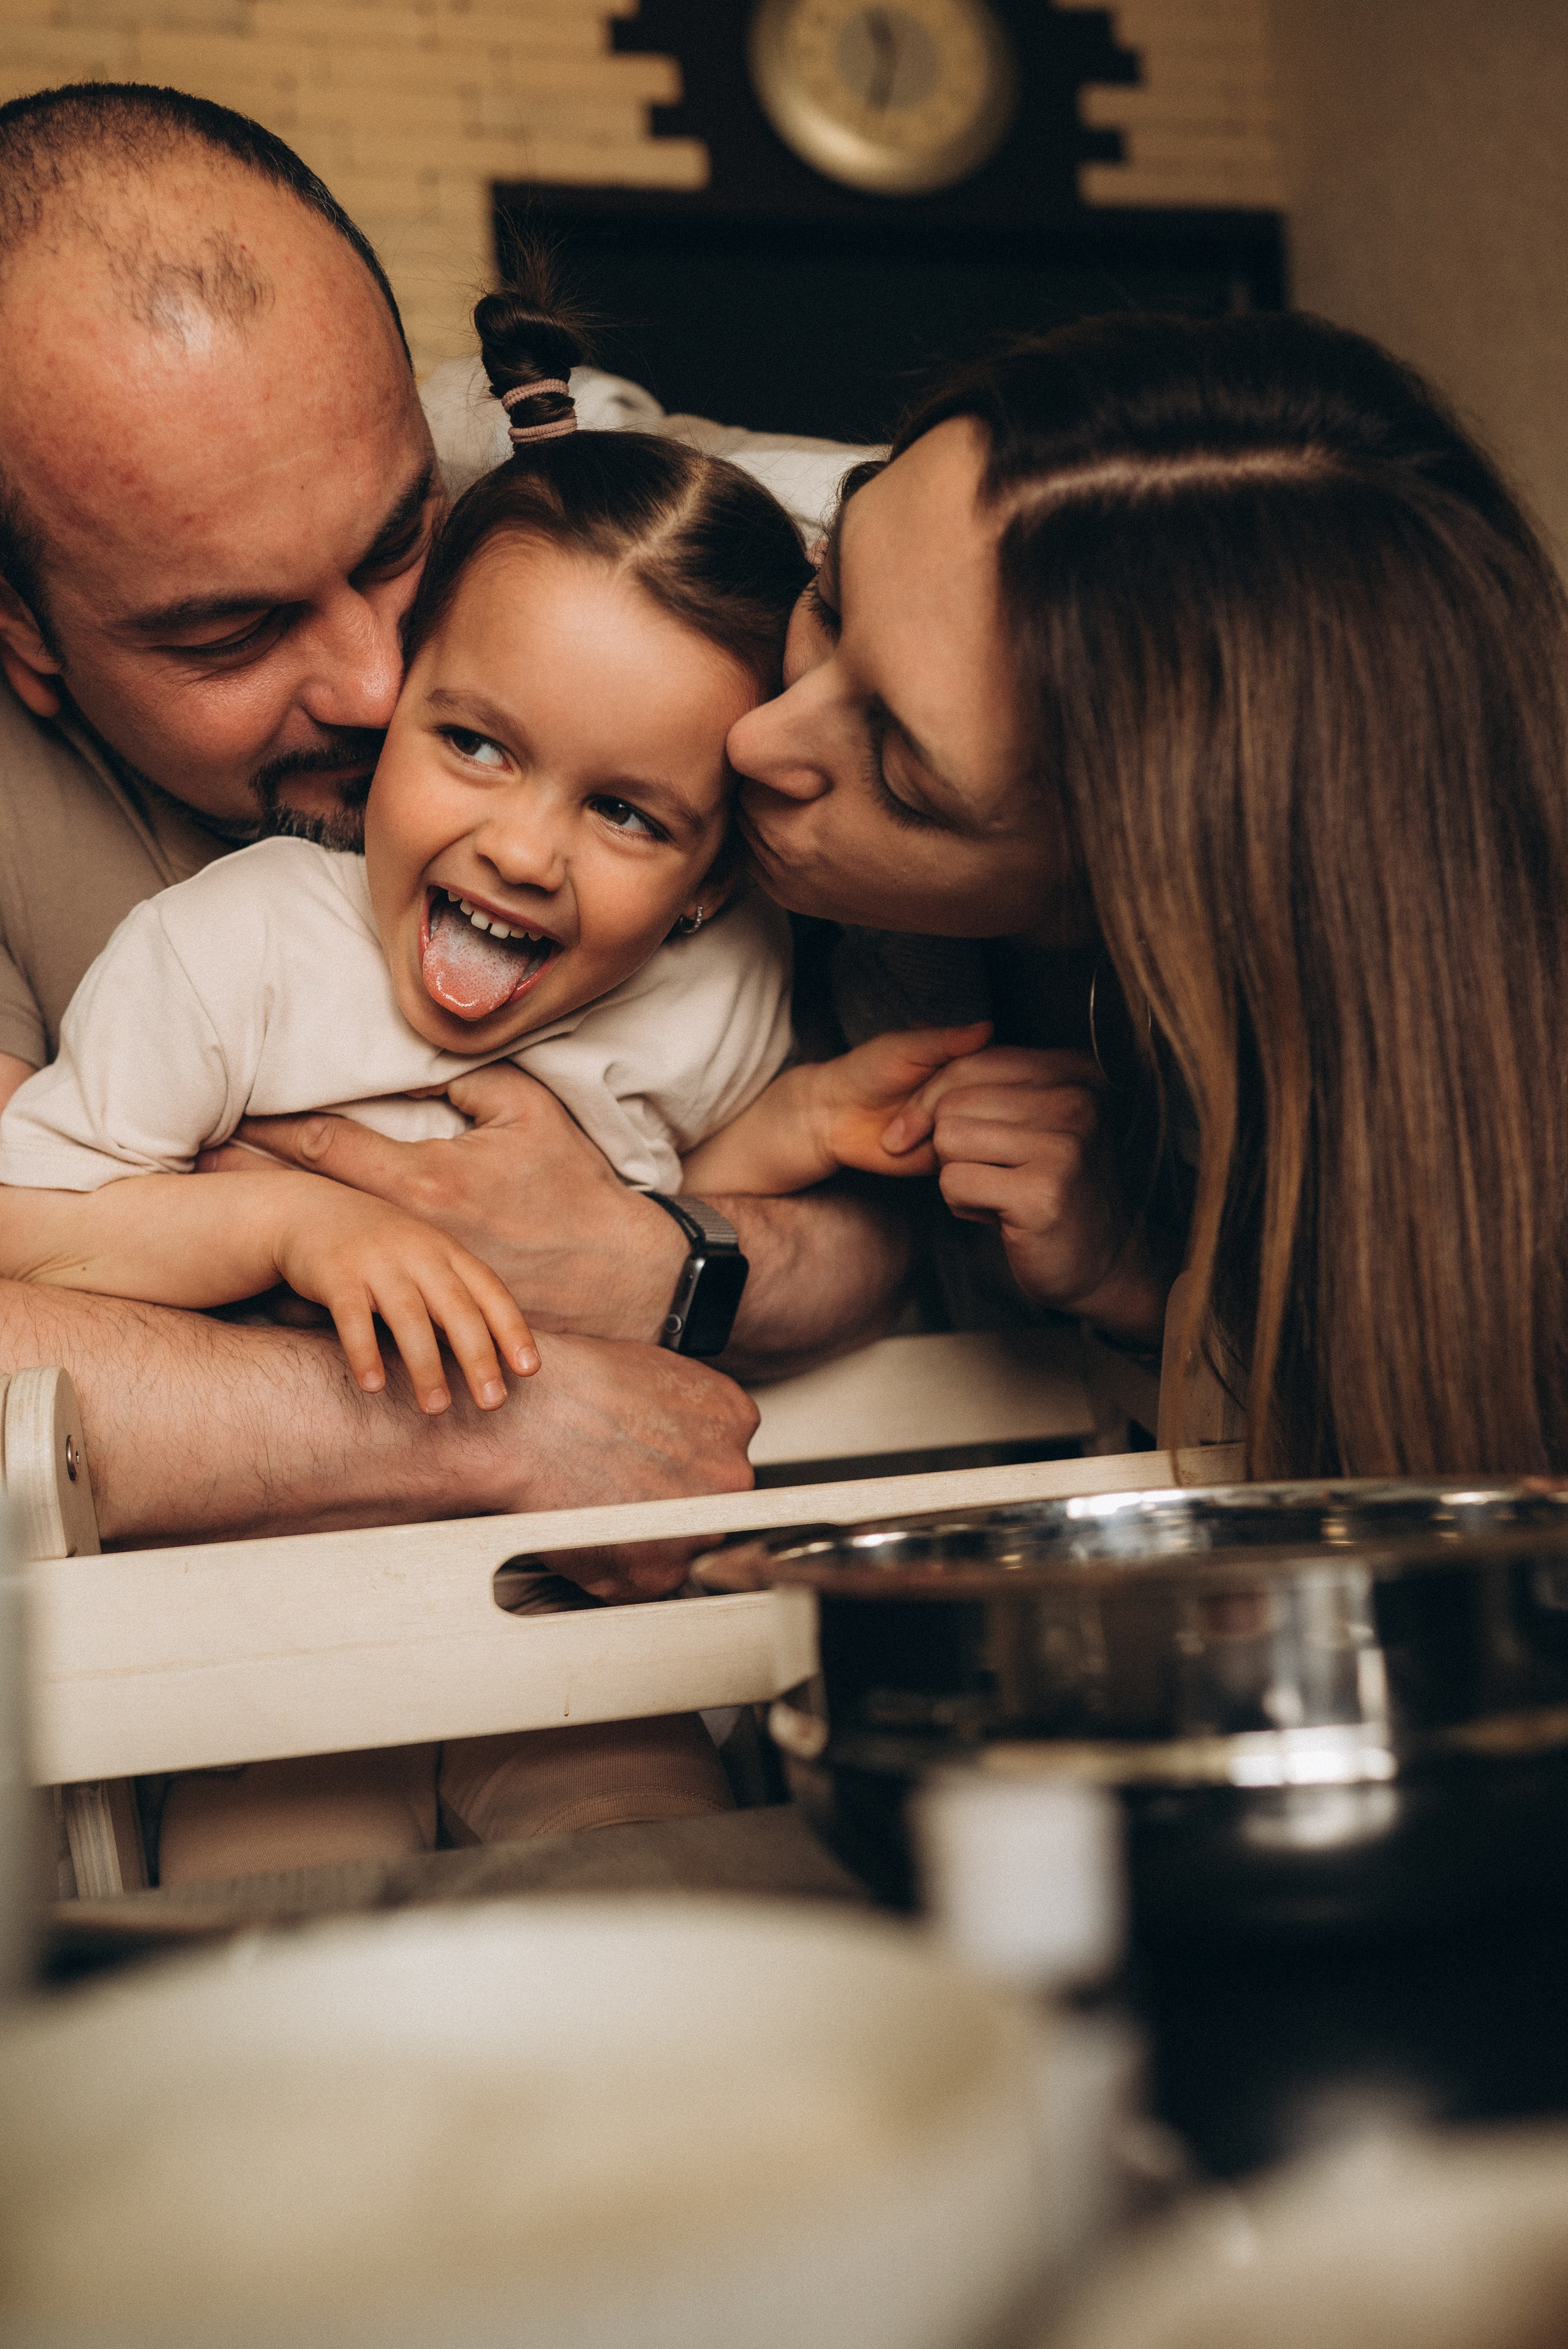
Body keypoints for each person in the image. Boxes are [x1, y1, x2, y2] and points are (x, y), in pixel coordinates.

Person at [0, 82, 903, 1559]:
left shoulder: (578, 547)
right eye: (227, 633)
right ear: (24, 630)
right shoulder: (177, 928)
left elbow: (873, 1229)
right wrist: (498, 1417)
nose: (375, 683)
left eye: (396, 542)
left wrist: (659, 1265)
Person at [0, 269, 820, 1876]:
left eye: (631, 813)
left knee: (663, 1884)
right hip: (278, 1620)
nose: (523, 846)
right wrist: (296, 1234)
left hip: (574, 1623)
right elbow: (34, 1220)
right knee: (283, 1920)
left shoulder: (715, 984)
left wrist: (812, 1140)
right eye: (481, 746)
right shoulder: (227, 948)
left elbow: (718, 1170)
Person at [724, 311, 1568, 1480]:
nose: (755, 738)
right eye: (825, 600)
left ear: (1134, 897)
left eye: (907, 777)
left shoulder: (1428, 1153)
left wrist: (1137, 1285)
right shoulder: (886, 531)